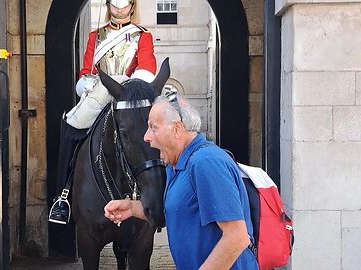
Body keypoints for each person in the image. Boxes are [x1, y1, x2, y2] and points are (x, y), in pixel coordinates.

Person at [104, 93, 259, 269]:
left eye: (153, 127)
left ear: (177, 129)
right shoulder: (175, 164)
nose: (146, 137)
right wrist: (132, 207)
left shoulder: (206, 162)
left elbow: (236, 238)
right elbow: (179, 211)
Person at [49, 0, 157, 224]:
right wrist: (86, 83)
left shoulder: (143, 36)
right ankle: (63, 196)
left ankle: (161, 193)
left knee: (160, 128)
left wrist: (128, 87)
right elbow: (87, 69)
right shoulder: (95, 36)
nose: (119, 9)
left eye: (124, 4)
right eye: (115, 4)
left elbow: (147, 70)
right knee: (72, 125)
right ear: (108, 5)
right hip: (100, 92)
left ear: (132, 5)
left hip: (129, 95)